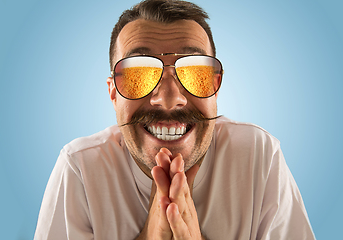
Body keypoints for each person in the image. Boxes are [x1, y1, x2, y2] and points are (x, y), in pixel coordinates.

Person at [34, 0, 315, 239]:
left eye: (194, 72)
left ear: (216, 86)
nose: (169, 99)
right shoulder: (80, 168)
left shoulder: (259, 155)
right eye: (138, 75)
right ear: (113, 93)